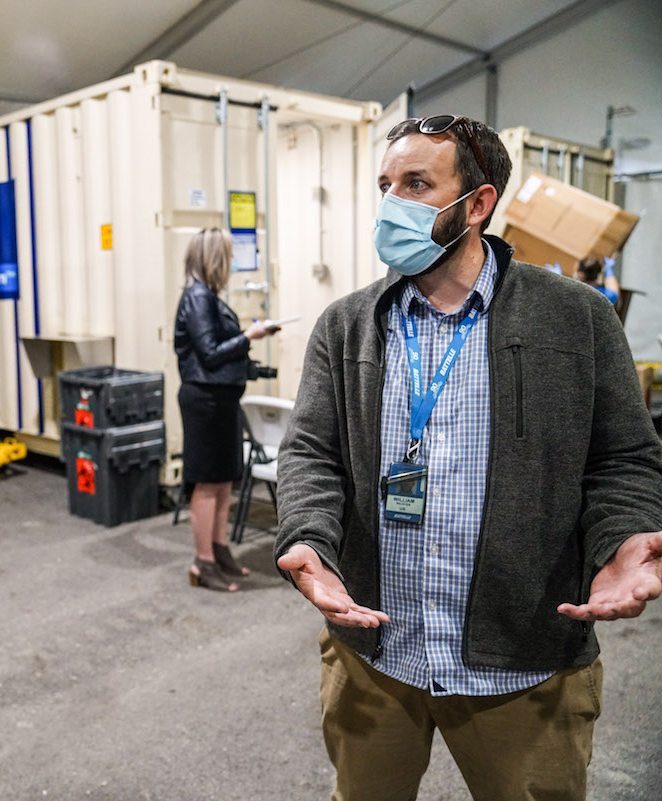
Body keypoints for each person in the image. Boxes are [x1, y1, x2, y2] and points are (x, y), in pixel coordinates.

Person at [274, 114, 662, 800]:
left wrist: (624, 534)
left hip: (523, 661)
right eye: (386, 184)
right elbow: (310, 450)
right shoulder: (348, 325)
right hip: (377, 653)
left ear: (478, 203)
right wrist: (308, 534)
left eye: (417, 183)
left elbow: (624, 458)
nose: (392, 202)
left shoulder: (575, 319)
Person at [174, 227, 280, 592]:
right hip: (204, 401)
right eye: (229, 255)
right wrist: (250, 337)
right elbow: (210, 353)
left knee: (222, 481)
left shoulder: (209, 298)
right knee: (207, 482)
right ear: (215, 258)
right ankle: (202, 562)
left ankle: (219, 550)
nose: (234, 261)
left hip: (221, 400)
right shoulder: (197, 298)